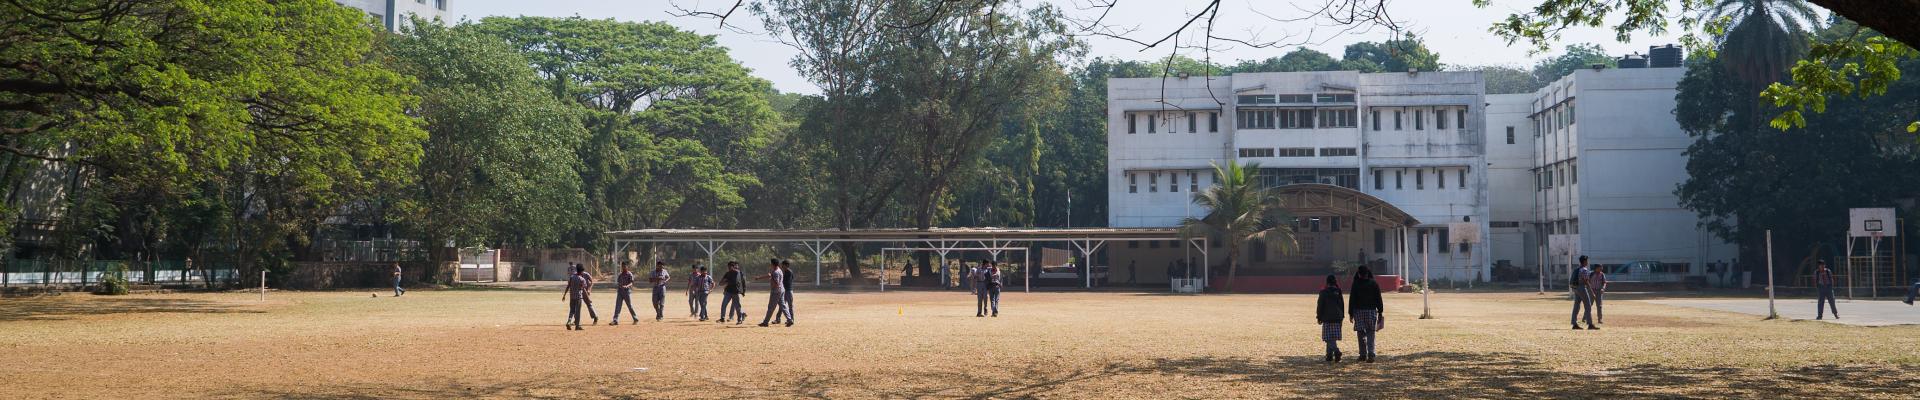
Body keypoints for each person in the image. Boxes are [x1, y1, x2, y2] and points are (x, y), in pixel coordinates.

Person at [1348, 266, 1383, 363]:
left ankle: (1363, 354)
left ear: (1359, 274)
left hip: (1358, 311)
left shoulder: (1355, 284)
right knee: (1371, 332)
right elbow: (1378, 298)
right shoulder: (1374, 283)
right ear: (1368, 273)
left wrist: (1350, 313)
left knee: (1360, 333)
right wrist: (1380, 311)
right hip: (1371, 311)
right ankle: (1371, 352)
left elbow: (1352, 299)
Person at [1316, 274, 1345, 363]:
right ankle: (1329, 355)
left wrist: (1319, 316)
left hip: (1327, 317)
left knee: (1328, 337)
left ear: (1327, 282)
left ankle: (1336, 351)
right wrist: (1342, 315)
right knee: (1332, 337)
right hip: (1337, 317)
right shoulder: (1338, 291)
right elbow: (1342, 304)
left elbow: (1320, 305)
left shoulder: (1323, 292)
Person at [759, 259, 789, 327]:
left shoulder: (775, 272)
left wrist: (772, 281)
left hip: (776, 291)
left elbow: (776, 283)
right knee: (783, 305)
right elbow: (772, 276)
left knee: (771, 307)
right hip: (781, 290)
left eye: (771, 264)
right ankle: (790, 320)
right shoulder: (779, 270)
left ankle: (765, 322)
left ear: (772, 264)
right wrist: (760, 278)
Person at [1571, 256, 1596, 330]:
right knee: (1588, 305)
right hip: (1582, 288)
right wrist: (1592, 292)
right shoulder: (1584, 270)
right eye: (1587, 261)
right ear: (1584, 261)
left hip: (1575, 288)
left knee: (1576, 306)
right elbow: (1586, 281)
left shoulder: (1577, 269)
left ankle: (1574, 323)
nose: (1587, 262)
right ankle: (1590, 324)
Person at [611, 261, 638, 325]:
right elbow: (618, 282)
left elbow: (631, 283)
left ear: (627, 267)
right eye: (622, 266)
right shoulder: (620, 275)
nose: (623, 267)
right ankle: (615, 320)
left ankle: (635, 318)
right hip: (620, 292)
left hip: (627, 292)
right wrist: (620, 286)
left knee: (629, 306)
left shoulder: (629, 274)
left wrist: (627, 286)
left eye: (624, 266)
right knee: (618, 306)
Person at [563, 265, 589, 330]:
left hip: (572, 297)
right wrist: (588, 298)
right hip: (578, 297)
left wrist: (564, 295)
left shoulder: (572, 277)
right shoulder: (582, 279)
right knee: (578, 312)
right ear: (581, 271)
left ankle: (569, 321)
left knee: (572, 310)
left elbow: (568, 286)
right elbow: (584, 289)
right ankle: (577, 326)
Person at [779, 260, 796, 325]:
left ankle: (791, 319)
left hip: (788, 291)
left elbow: (787, 282)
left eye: (783, 265)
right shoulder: (785, 272)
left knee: (790, 306)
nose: (782, 266)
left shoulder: (789, 272)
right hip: (785, 290)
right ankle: (778, 318)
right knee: (782, 305)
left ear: (786, 265)